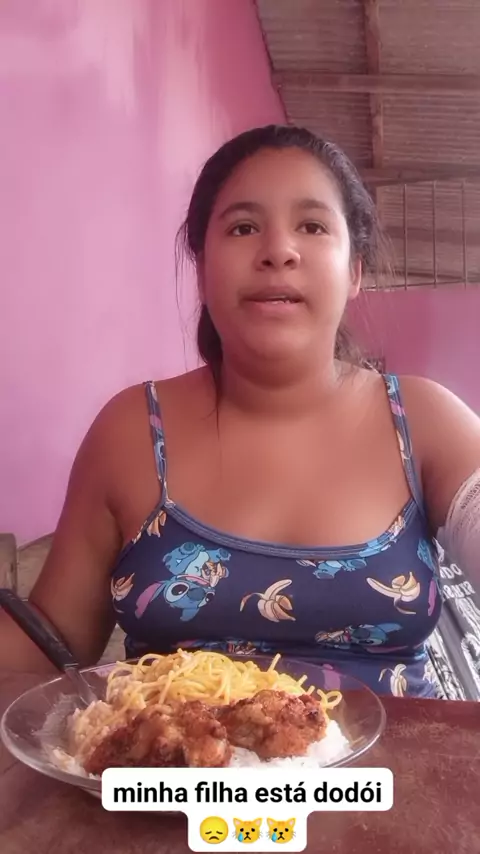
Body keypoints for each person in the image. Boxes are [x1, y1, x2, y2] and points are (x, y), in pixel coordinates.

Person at [2, 125, 479, 698]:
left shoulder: (423, 421)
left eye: (312, 226)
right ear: (202, 268)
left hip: (398, 759)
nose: (279, 250)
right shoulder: (130, 431)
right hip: (173, 756)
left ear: (355, 270)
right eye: (244, 227)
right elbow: (51, 642)